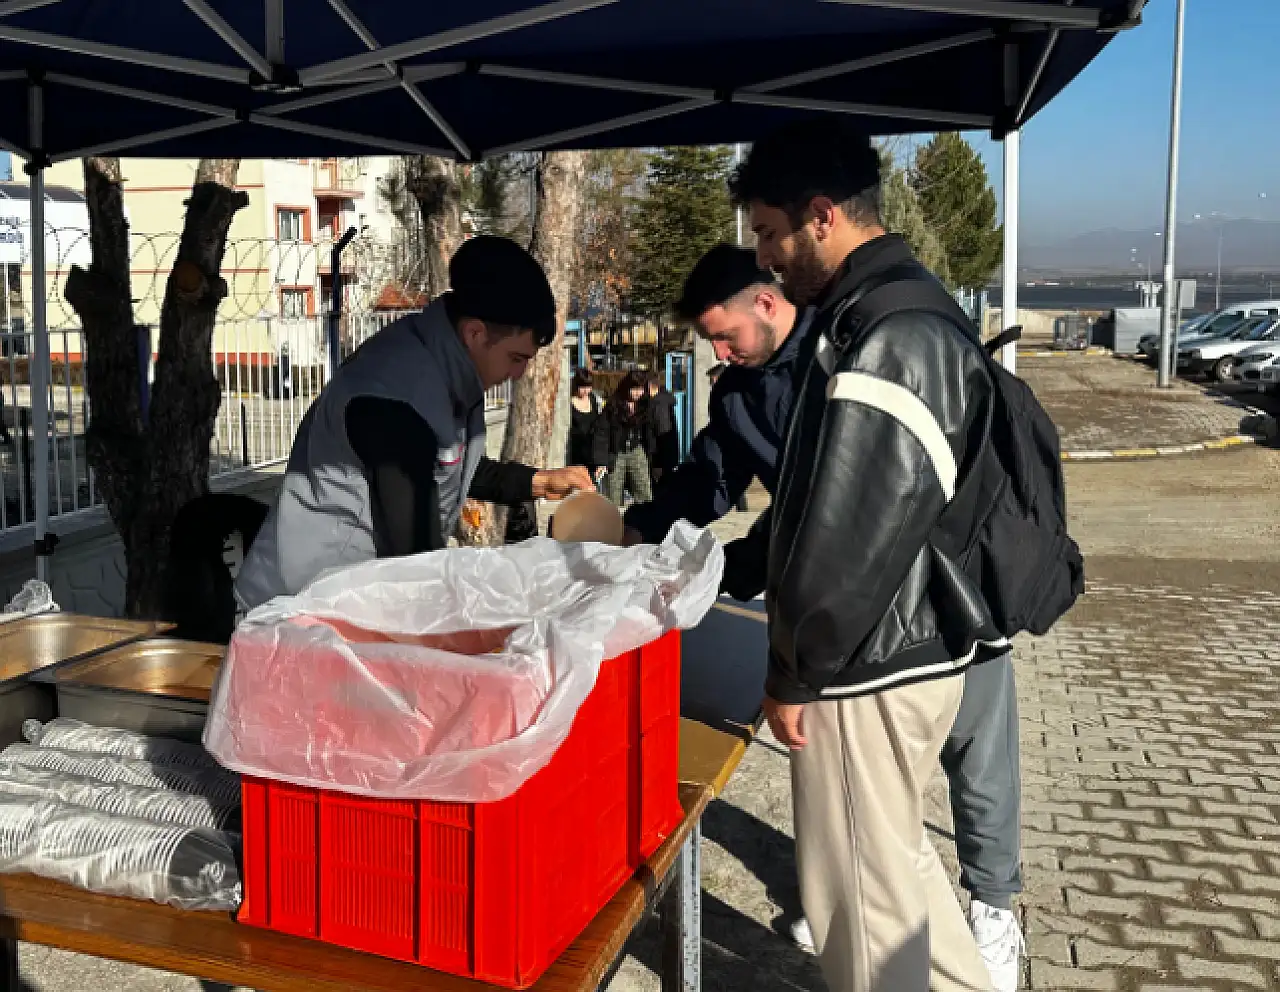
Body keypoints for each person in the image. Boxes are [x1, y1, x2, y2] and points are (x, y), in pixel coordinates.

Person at [624, 244, 1024, 988]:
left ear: (766, 306)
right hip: (839, 610)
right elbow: (711, 476)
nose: (719, 351)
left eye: (725, 334)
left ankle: (994, 908)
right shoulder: (740, 392)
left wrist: (734, 570)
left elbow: (828, 512)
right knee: (833, 759)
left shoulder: (850, 351)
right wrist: (638, 530)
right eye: (709, 340)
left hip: (949, 586)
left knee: (978, 750)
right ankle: (839, 894)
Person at [728, 121, 1016, 992]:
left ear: (821, 216)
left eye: (770, 234)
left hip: (864, 666)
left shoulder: (888, 328)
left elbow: (846, 535)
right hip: (893, 654)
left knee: (858, 903)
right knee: (894, 877)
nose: (766, 259)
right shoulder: (890, 308)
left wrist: (794, 671)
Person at [236, 236, 593, 609]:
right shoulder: (396, 398)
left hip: (347, 597)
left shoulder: (444, 367)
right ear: (475, 333)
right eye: (516, 358)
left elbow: (445, 466)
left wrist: (536, 482)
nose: (520, 374)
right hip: (302, 607)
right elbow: (414, 557)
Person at [593, 370, 654, 507]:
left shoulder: (645, 404)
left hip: (636, 449)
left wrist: (652, 453)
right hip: (616, 453)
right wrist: (601, 461)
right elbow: (602, 433)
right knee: (612, 493)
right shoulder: (613, 405)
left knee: (644, 490)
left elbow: (650, 431)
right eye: (635, 389)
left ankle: (644, 522)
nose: (638, 393)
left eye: (641, 389)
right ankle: (613, 523)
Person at [644, 370, 680, 485]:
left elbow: (662, 435)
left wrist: (658, 463)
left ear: (649, 385)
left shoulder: (659, 405)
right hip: (662, 458)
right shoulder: (660, 401)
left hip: (659, 459)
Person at [567, 367, 602, 475]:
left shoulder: (593, 399)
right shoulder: (569, 403)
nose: (586, 390)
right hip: (576, 455)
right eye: (583, 387)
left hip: (593, 453)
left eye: (589, 387)